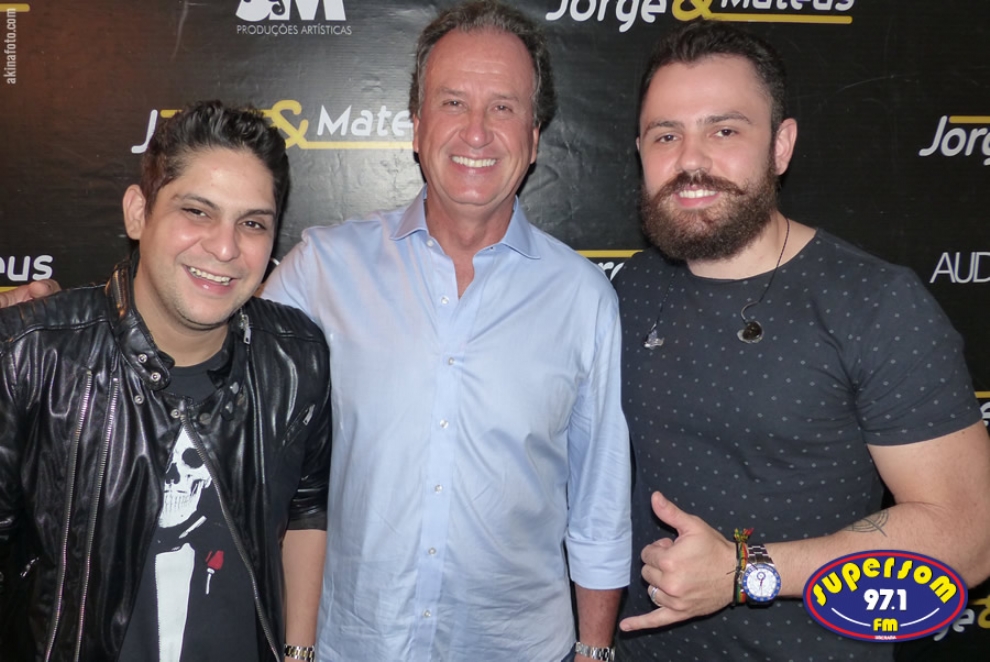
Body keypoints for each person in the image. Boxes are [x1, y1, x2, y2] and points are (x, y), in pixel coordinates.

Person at [261, 2, 631, 660]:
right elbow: (216, 382)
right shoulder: (321, 270)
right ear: (417, 126)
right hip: (353, 646)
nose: (477, 132)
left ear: (534, 138)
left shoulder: (583, 298)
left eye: (503, 107)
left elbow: (600, 504)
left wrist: (595, 651)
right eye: (453, 102)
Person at [613, 21, 990, 660]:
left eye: (724, 131)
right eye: (666, 135)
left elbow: (969, 535)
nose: (691, 161)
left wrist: (744, 572)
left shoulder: (873, 303)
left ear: (781, 146)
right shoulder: (633, 287)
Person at [0, 101, 332, 662]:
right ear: (138, 213)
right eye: (197, 212)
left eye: (252, 223)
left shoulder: (297, 358)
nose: (225, 247)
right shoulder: (31, 355)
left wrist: (298, 654)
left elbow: (305, 511)